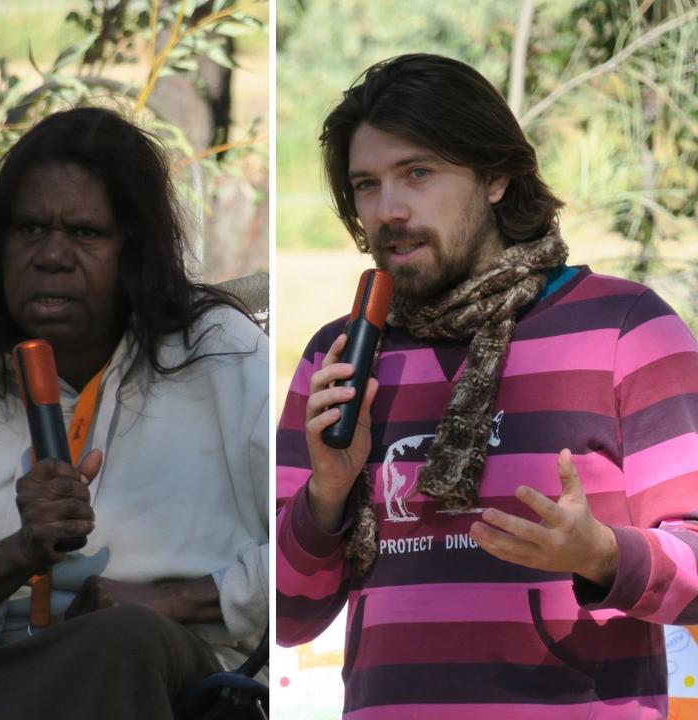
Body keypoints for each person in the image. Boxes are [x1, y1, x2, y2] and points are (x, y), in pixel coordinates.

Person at [276, 53, 698, 718]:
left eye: (418, 173)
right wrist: (326, 493)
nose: (388, 210)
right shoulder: (342, 356)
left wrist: (602, 553)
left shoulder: (626, 329)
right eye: (366, 185)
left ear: (497, 175)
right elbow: (284, 617)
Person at [0, 106, 268, 717]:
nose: (52, 256)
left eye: (86, 233)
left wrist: (173, 601)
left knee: (121, 640)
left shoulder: (223, 352)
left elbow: (297, 553)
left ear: (134, 253)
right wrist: (17, 554)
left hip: (167, 664)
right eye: (30, 230)